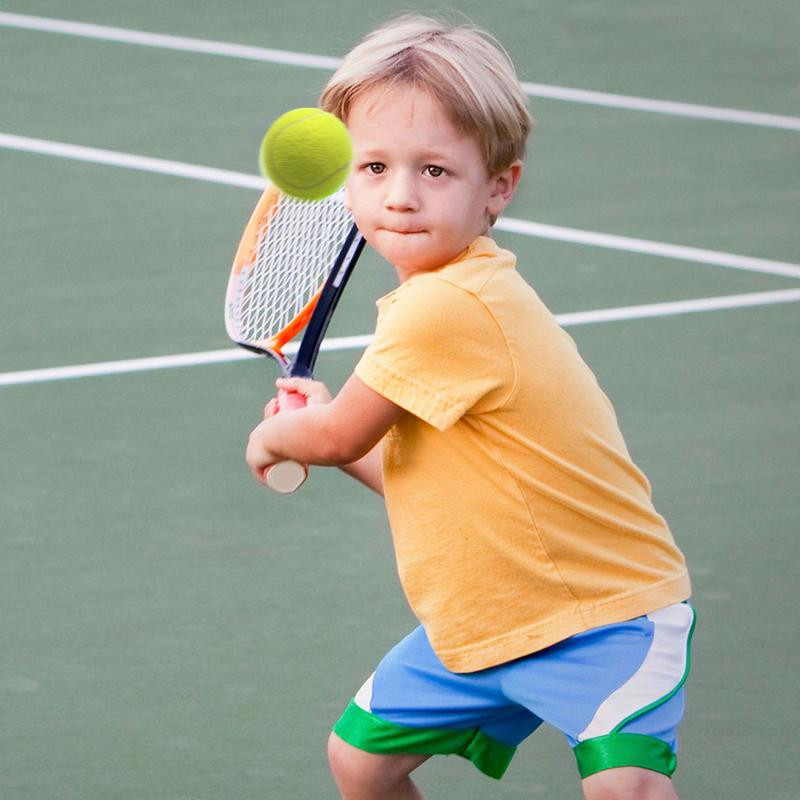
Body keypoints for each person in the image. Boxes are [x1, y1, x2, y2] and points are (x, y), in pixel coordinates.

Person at [245, 14, 694, 800]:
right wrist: (320, 428)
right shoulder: (435, 302)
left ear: (499, 187)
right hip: (483, 621)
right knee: (361, 763)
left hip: (601, 612)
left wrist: (283, 435)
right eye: (374, 167)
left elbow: (339, 433)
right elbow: (413, 479)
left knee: (625, 787)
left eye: (435, 172)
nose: (400, 197)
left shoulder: (446, 308)